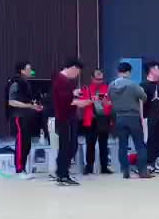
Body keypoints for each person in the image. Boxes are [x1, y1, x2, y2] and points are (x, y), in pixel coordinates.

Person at [109, 62, 152, 179]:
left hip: (119, 117)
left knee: (122, 145)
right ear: (129, 72)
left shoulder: (111, 85)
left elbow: (110, 99)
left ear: (118, 72)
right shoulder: (133, 85)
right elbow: (144, 97)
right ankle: (142, 171)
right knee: (140, 145)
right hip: (133, 117)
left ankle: (125, 170)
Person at [51, 58, 90, 186]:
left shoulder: (65, 80)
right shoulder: (61, 80)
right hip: (65, 119)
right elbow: (66, 100)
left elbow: (67, 95)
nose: (77, 75)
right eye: (78, 72)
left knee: (70, 146)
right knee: (67, 147)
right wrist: (84, 102)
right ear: (73, 68)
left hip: (69, 118)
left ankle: (62, 172)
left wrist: (75, 93)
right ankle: (62, 174)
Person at [7, 61, 43, 179]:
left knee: (27, 143)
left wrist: (34, 106)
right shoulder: (16, 83)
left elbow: (27, 101)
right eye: (29, 69)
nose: (31, 71)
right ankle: (19, 170)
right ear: (22, 70)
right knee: (21, 143)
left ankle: (23, 168)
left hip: (27, 117)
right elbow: (12, 102)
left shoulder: (26, 83)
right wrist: (29, 106)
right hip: (19, 117)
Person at [79, 68, 113, 175]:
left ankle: (104, 167)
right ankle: (89, 167)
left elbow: (110, 104)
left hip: (103, 119)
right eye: (97, 79)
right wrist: (92, 100)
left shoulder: (107, 88)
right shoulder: (86, 89)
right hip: (91, 120)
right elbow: (82, 103)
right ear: (92, 78)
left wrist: (104, 101)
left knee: (104, 144)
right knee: (90, 144)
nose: (99, 81)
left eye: (101, 79)